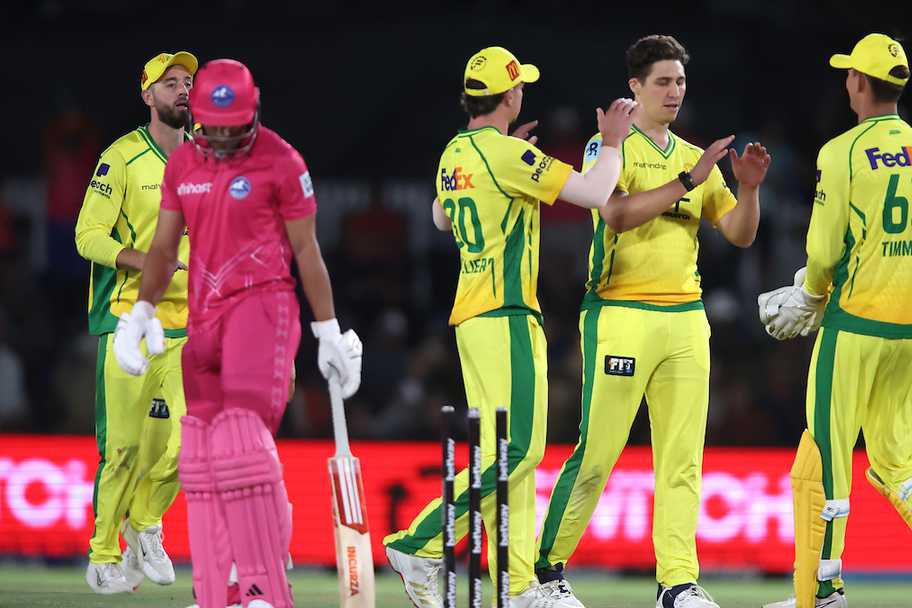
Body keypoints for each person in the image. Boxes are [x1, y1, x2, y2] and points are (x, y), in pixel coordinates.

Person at [382, 46, 636, 608]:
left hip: (472, 318)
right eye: (521, 87)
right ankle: (418, 543)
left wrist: (507, 162)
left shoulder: (456, 151)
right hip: (507, 314)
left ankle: (517, 586)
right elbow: (595, 193)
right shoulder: (505, 154)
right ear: (510, 95)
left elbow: (440, 217)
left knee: (510, 455)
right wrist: (613, 141)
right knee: (518, 450)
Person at [531, 34, 771, 608]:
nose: (674, 92)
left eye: (680, 81)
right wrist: (688, 181)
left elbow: (739, 233)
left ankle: (677, 583)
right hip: (620, 312)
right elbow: (615, 214)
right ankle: (545, 572)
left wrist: (748, 188)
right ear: (634, 87)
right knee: (598, 451)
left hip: (686, 317)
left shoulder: (694, 154)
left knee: (683, 460)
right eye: (662, 81)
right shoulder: (608, 145)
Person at [113, 58, 362, 608]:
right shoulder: (183, 162)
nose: (225, 140)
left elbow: (307, 250)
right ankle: (216, 593)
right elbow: (163, 248)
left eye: (236, 129)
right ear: (198, 116)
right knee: (200, 460)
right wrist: (141, 311)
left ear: (254, 110)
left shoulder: (282, 161)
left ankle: (263, 589)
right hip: (203, 319)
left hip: (263, 310)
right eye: (214, 129)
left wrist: (327, 329)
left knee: (240, 443)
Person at [758, 34, 912, 608]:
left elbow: (824, 247)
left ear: (859, 83)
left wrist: (810, 295)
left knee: (827, 455)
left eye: (849, 74)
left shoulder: (842, 151)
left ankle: (823, 592)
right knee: (894, 456)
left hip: (856, 322)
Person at [74, 51, 198, 594]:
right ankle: (103, 554)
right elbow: (87, 236)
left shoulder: (205, 158)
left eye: (188, 82)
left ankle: (145, 523)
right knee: (123, 449)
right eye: (170, 83)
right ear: (147, 95)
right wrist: (143, 261)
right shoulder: (121, 158)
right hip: (129, 321)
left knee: (189, 446)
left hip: (189, 325)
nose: (182, 90)